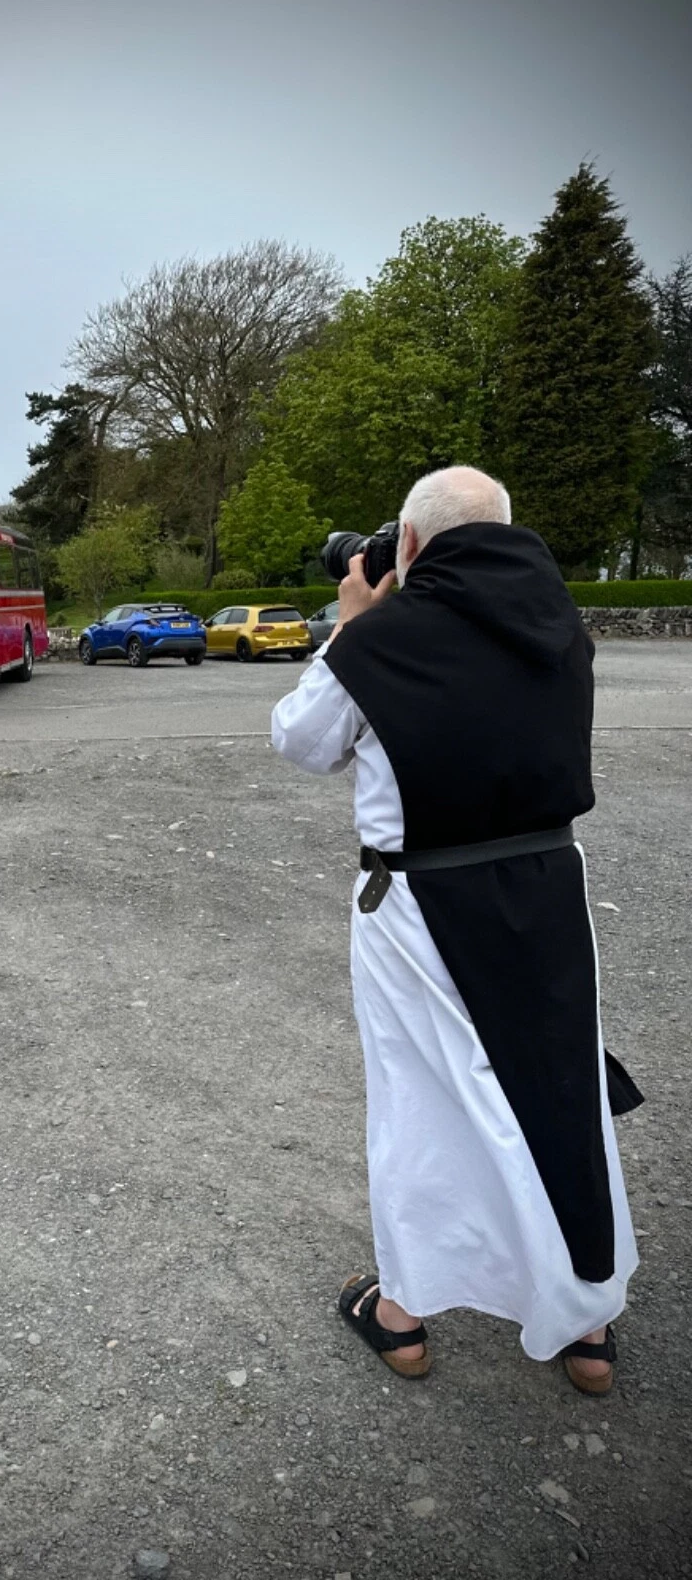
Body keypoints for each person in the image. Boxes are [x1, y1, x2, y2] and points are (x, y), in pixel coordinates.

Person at [271, 466, 640, 1396]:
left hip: (424, 900)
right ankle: (587, 1321)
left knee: (425, 1101)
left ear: (407, 542)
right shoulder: (561, 626)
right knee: (557, 1090)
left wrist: (355, 621)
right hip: (549, 883)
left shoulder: (385, 637)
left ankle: (401, 1316)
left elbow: (302, 741)